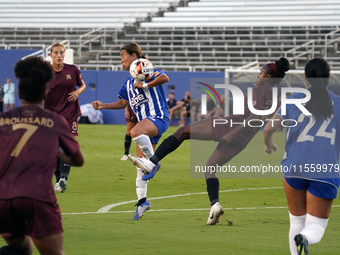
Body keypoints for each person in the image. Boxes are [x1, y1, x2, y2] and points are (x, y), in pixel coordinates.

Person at [130, 57, 290, 225]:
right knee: (210, 169)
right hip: (244, 139)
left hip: (231, 127)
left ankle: (152, 162)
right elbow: (262, 120)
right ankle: (215, 206)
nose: (258, 77)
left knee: (182, 132)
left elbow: (254, 116)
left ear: (267, 77)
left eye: (260, 73)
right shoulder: (277, 97)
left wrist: (232, 133)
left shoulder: (260, 91)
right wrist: (268, 143)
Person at [0, 56, 84, 255]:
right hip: (37, 197)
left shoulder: (3, 120)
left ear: (19, 93)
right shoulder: (54, 121)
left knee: (20, 249)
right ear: (46, 92)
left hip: (3, 199)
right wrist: (57, 149)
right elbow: (78, 159)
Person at [263, 58, 340, 255]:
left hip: (294, 166)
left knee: (296, 220)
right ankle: (305, 238)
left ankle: (299, 243)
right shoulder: (338, 104)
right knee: (317, 225)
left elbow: (268, 128)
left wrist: (269, 143)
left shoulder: (293, 99)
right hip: (324, 170)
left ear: (306, 78)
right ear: (329, 77)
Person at [92, 43, 170, 220]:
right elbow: (123, 103)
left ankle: (155, 163)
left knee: (134, 133)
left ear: (134, 56)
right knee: (140, 166)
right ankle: (143, 202)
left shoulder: (146, 70)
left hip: (157, 117)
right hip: (147, 126)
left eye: (122, 55)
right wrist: (104, 105)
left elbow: (164, 77)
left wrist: (144, 85)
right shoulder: (128, 83)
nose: (121, 60)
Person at [44, 42, 86, 193]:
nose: (59, 55)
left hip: (70, 113)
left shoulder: (72, 69)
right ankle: (59, 181)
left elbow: (82, 85)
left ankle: (63, 178)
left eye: (61, 52)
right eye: (56, 53)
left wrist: (77, 92)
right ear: (51, 55)